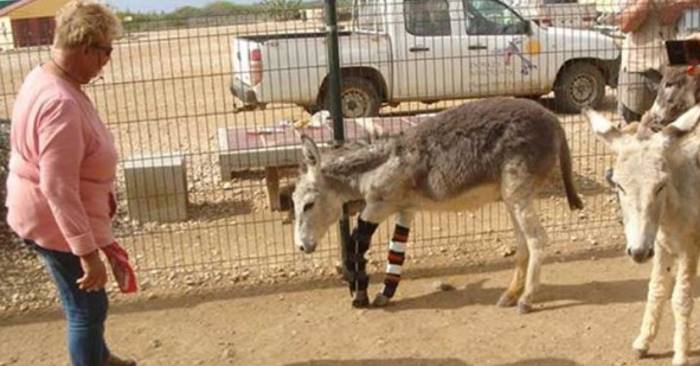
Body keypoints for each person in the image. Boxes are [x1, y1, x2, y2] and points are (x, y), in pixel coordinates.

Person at [5, 1, 136, 365]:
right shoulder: (60, 102)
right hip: (54, 223)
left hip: (42, 214)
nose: (107, 60)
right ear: (85, 47)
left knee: (87, 305)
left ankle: (102, 359)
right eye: (105, 51)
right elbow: (58, 187)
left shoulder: (45, 76)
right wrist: (87, 253)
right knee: (87, 308)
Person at [615, 0, 699, 124]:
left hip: (670, 72)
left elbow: (666, 17)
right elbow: (625, 25)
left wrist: (682, 3)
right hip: (638, 70)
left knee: (665, 130)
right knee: (633, 128)